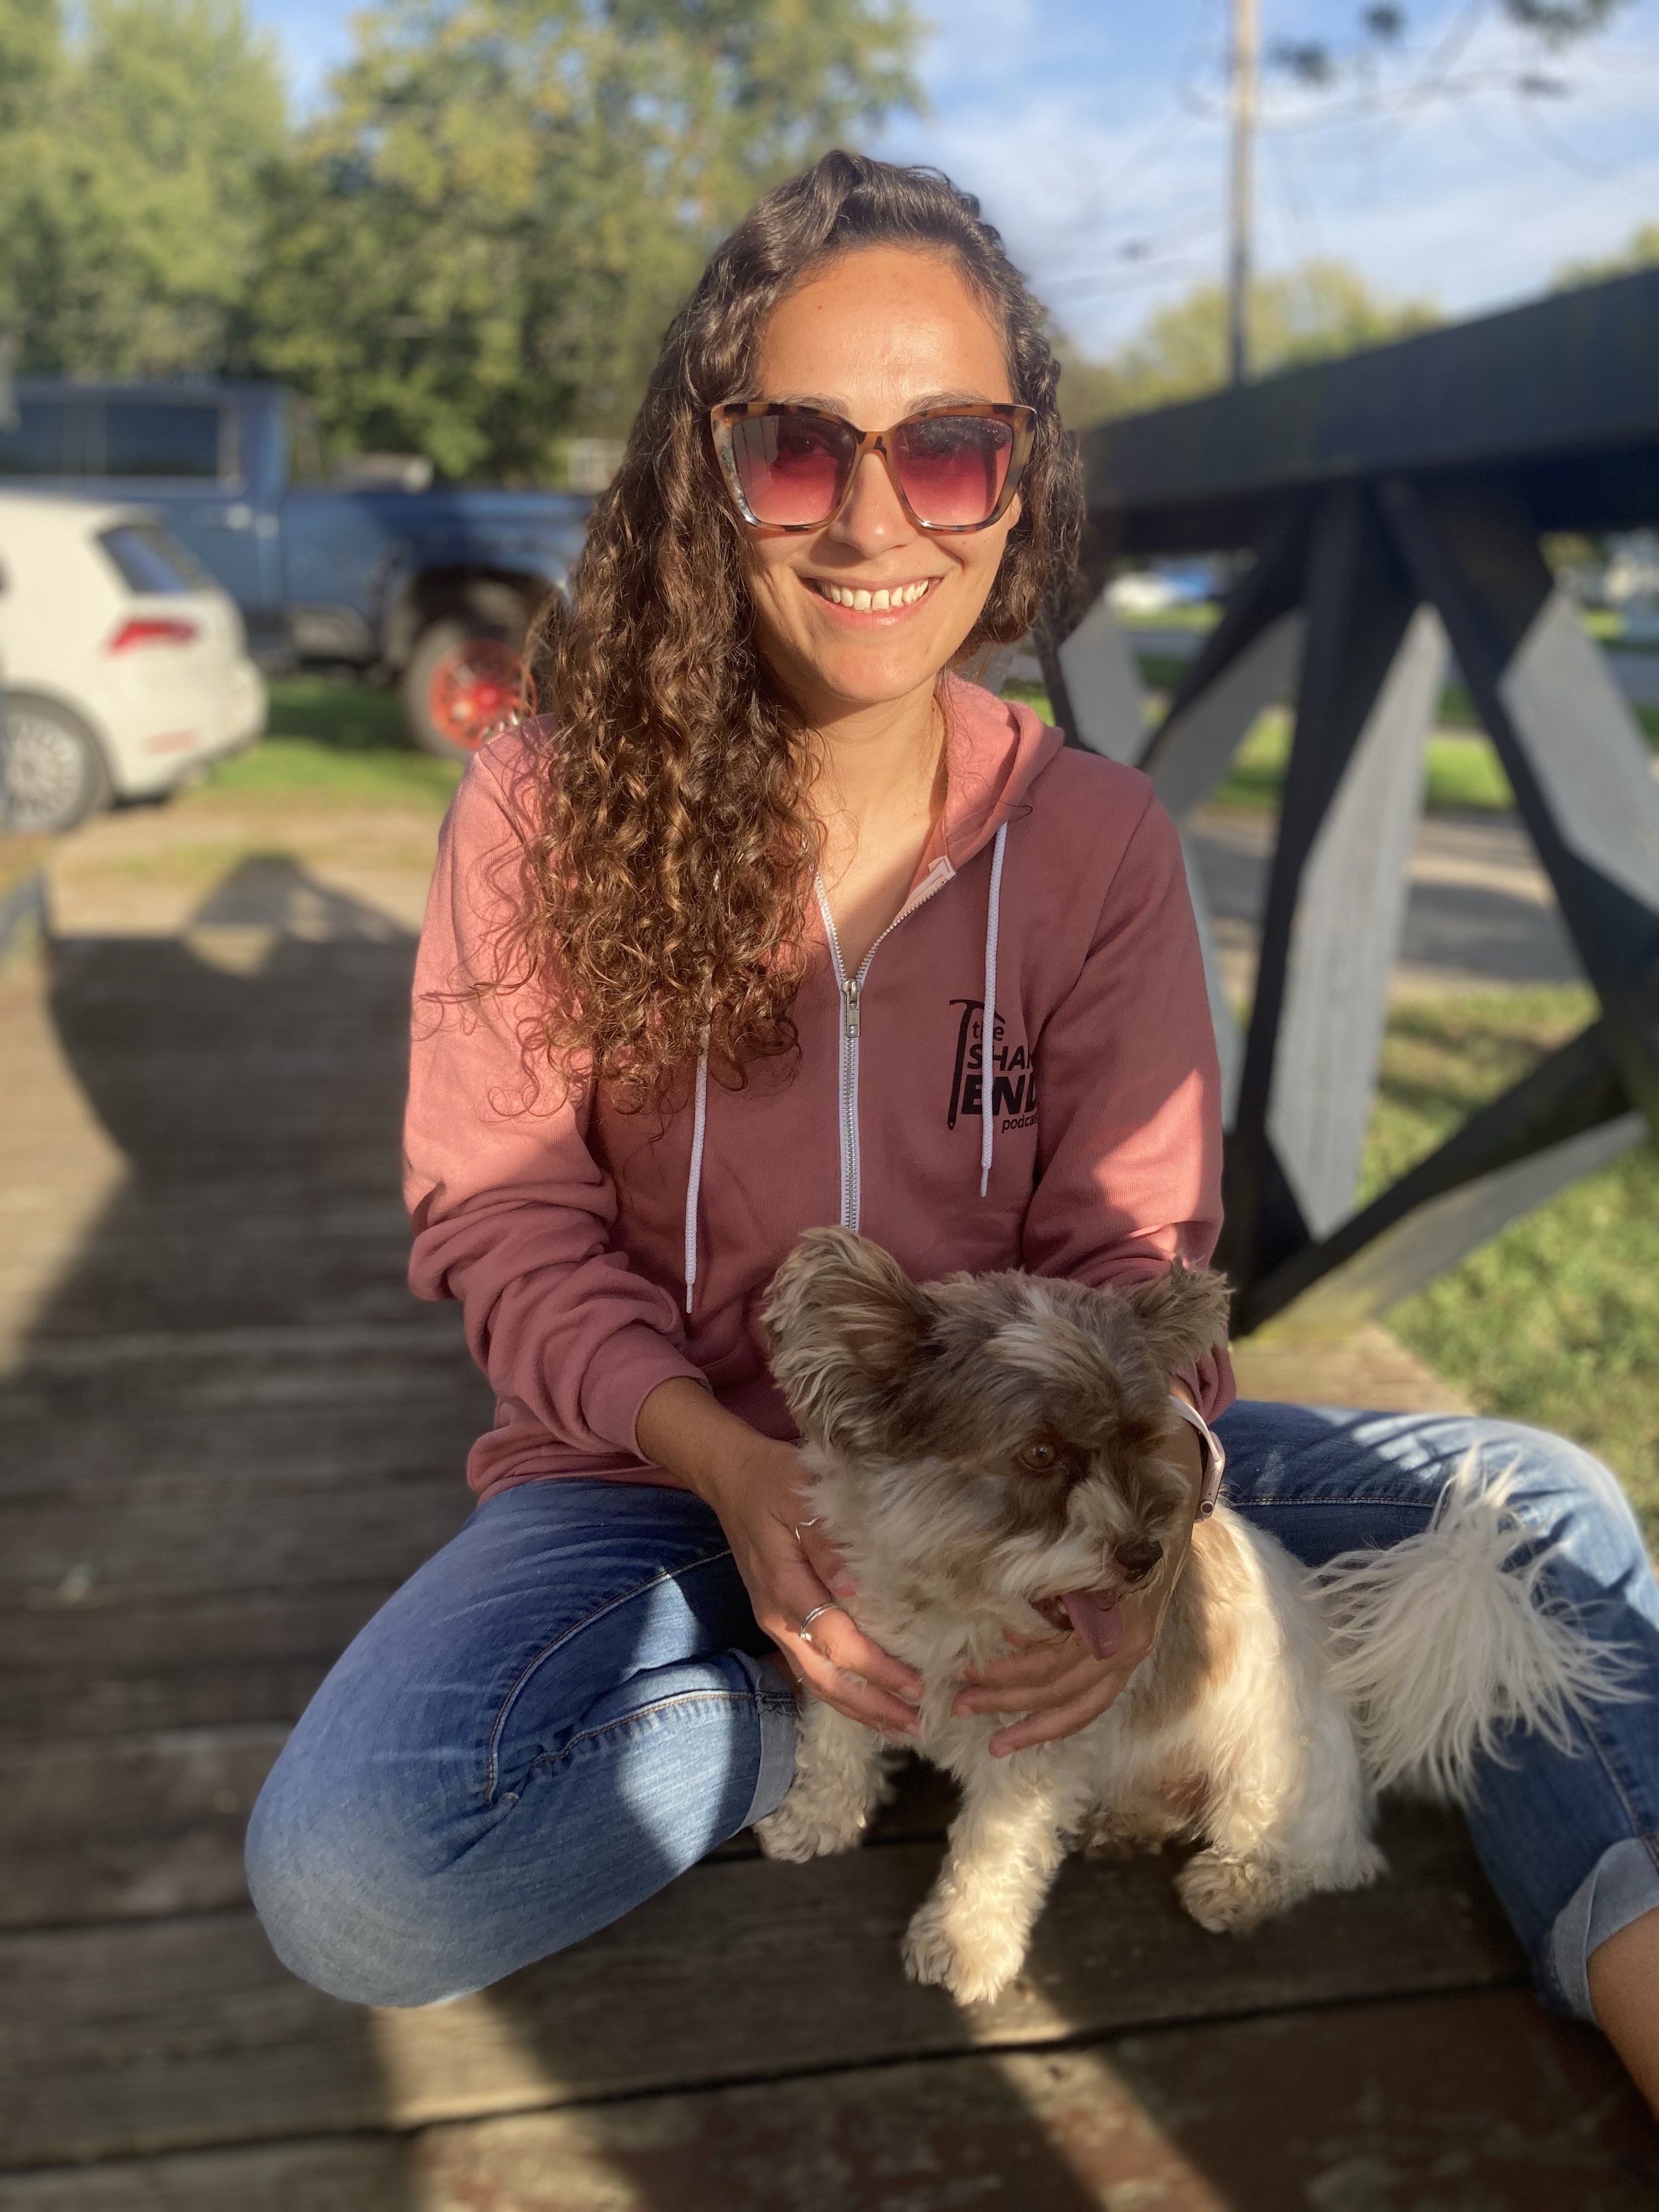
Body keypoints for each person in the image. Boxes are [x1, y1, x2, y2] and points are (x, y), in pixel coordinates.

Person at [246, 151, 1659, 2106]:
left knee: (1552, 1514)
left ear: (1022, 477)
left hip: (1041, 1455)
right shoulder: (539, 806)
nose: (878, 519)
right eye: (803, 451)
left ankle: (1623, 1945)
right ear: (707, 471)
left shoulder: (1091, 838)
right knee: (354, 1879)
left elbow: (1135, 1260)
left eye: (952, 447)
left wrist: (1151, 1524)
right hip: (654, 1473)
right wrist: (742, 1480)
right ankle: (793, 1703)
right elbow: (498, 1216)